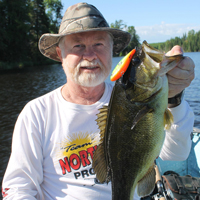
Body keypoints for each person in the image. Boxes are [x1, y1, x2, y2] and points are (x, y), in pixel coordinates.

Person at [2, 2, 195, 200]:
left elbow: (177, 154)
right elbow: (18, 187)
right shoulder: (37, 113)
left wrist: (174, 98)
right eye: (78, 45)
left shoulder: (130, 97)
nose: (90, 55)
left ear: (112, 49)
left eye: (99, 44)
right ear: (61, 55)